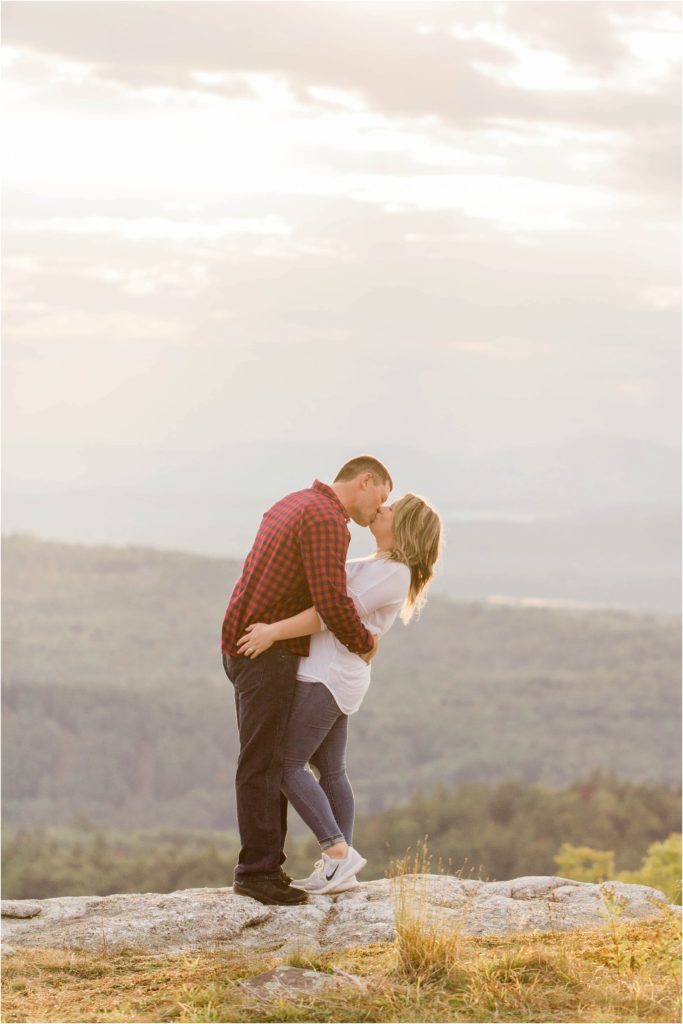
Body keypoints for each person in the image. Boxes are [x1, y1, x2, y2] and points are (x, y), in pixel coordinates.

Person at [236, 492, 442, 896]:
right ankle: (340, 867)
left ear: (405, 528)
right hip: (333, 675)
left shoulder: (393, 573)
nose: (381, 509)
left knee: (283, 763)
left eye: (391, 509)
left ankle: (336, 850)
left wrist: (272, 631)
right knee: (331, 770)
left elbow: (333, 611)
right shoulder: (378, 565)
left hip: (326, 678)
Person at [221, 455, 393, 906]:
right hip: (268, 654)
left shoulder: (292, 502)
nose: (380, 507)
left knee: (267, 759)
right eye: (382, 496)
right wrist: (364, 642)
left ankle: (268, 869)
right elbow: (332, 601)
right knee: (267, 763)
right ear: (366, 480)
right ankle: (258, 873)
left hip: (243, 644)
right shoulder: (326, 520)